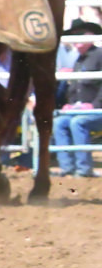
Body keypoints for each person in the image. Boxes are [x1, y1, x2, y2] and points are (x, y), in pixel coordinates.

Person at [51, 22, 102, 178]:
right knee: (59, 122)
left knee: (77, 122)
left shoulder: (100, 55)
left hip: (97, 110)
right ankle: (66, 166)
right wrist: (70, 104)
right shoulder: (79, 60)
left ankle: (83, 168)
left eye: (81, 34)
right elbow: (74, 88)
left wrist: (94, 105)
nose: (76, 39)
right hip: (82, 109)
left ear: (91, 37)